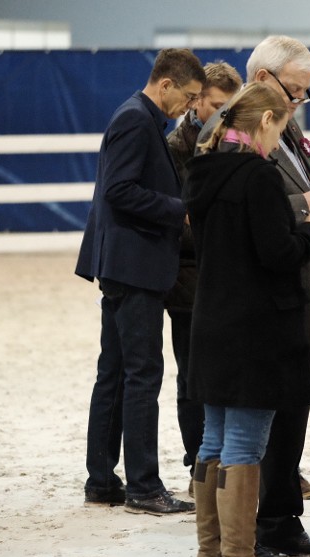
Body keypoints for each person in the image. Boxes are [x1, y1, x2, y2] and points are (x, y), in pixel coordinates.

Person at [197, 35, 310, 557]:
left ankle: (265, 527)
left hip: (265, 307)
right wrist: (308, 217)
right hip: (263, 308)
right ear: (264, 83)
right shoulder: (242, 157)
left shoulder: (227, 155)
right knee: (247, 436)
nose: (298, 104)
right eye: (295, 93)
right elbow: (264, 227)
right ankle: (246, 544)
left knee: (275, 420)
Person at [76, 48, 206, 515]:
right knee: (141, 374)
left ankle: (102, 479)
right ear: (165, 84)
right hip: (135, 265)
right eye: (188, 96)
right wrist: (181, 211)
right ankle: (144, 487)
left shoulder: (141, 118)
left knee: (114, 372)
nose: (188, 107)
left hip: (123, 263)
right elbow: (119, 190)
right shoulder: (136, 119)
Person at [165, 61, 243, 496]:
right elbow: (183, 219)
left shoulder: (235, 140)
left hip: (231, 277)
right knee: (193, 379)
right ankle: (199, 466)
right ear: (196, 102)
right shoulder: (176, 147)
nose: (222, 115)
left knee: (236, 375)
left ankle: (244, 464)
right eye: (216, 105)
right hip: (190, 282)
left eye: (229, 108)